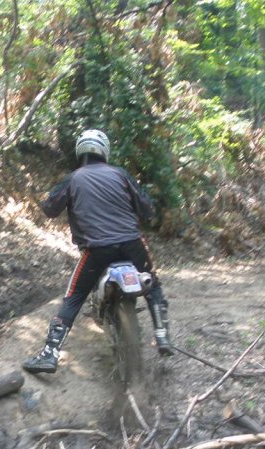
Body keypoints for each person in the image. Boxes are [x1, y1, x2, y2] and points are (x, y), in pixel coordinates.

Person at [23, 129, 174, 374]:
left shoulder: (72, 179)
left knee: (74, 296)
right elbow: (147, 208)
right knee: (153, 284)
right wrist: (142, 214)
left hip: (97, 249)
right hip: (132, 245)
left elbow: (50, 209)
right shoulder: (121, 174)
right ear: (105, 151)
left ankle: (49, 354)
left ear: (80, 151)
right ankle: (162, 335)